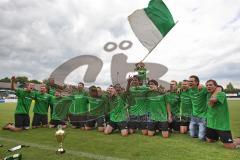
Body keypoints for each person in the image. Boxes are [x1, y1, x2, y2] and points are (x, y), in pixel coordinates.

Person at [205, 80, 240, 149]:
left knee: (230, 146)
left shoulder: (221, 94)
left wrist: (218, 89)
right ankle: (220, 137)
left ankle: (237, 140)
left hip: (222, 124)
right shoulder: (208, 94)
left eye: (210, 85)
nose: (208, 86)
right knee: (209, 140)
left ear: (216, 86)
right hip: (211, 123)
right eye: (207, 85)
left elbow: (212, 101)